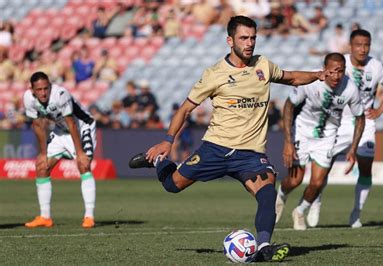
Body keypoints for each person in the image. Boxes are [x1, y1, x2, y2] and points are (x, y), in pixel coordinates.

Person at [128, 16, 327, 262]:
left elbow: (292, 77)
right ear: (229, 40)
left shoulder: (263, 65)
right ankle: (158, 162)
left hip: (251, 154)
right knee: (172, 185)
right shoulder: (214, 75)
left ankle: (264, 246)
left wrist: (318, 75)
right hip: (216, 148)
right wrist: (168, 141)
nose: (250, 43)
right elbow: (184, 110)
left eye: (253, 37)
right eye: (244, 38)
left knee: (267, 194)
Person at [277, 29, 383, 229]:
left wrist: (380, 109)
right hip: (335, 121)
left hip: (363, 120)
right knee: (307, 176)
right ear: (349, 46)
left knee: (365, 164)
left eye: (366, 45)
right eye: (358, 45)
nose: (362, 49)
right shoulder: (335, 65)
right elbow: (300, 95)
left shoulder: (376, 67)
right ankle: (314, 201)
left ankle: (355, 214)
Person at [275, 53, 365, 230]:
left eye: (341, 71)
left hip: (327, 137)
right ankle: (280, 198)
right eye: (332, 71)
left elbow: (360, 117)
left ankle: (300, 211)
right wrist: (288, 141)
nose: (336, 76)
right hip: (303, 132)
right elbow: (289, 105)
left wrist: (353, 148)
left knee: (317, 182)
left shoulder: (350, 88)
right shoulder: (310, 82)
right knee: (295, 181)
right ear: (324, 69)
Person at [23, 72, 97, 228]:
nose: (43, 93)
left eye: (46, 88)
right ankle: (45, 217)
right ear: (32, 90)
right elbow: (37, 125)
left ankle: (89, 216)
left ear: (50, 86)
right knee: (42, 166)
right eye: (39, 90)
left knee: (83, 165)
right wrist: (43, 153)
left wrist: (80, 152)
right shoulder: (28, 98)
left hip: (82, 127)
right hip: (60, 131)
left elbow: (71, 123)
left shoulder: (60, 94)